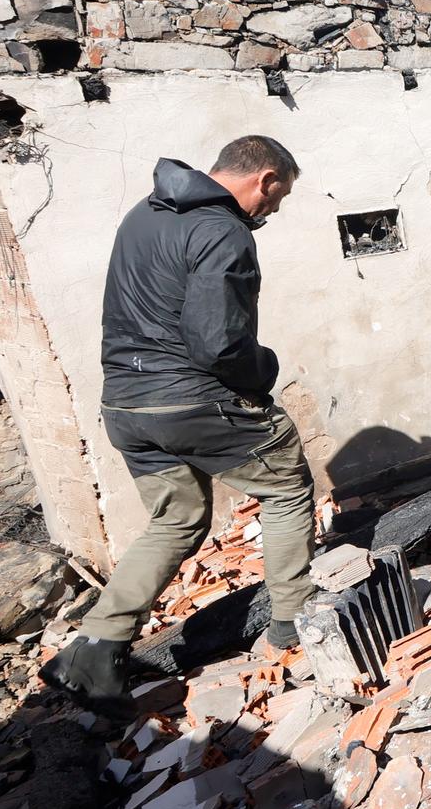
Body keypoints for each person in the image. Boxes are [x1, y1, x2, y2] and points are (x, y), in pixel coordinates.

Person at [44, 135, 316, 707]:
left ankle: (96, 647)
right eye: (279, 197)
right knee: (286, 486)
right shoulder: (223, 230)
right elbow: (219, 344)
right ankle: (293, 623)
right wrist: (263, 369)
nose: (274, 210)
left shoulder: (144, 214)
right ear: (264, 179)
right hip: (191, 399)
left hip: (125, 405)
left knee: (179, 519)